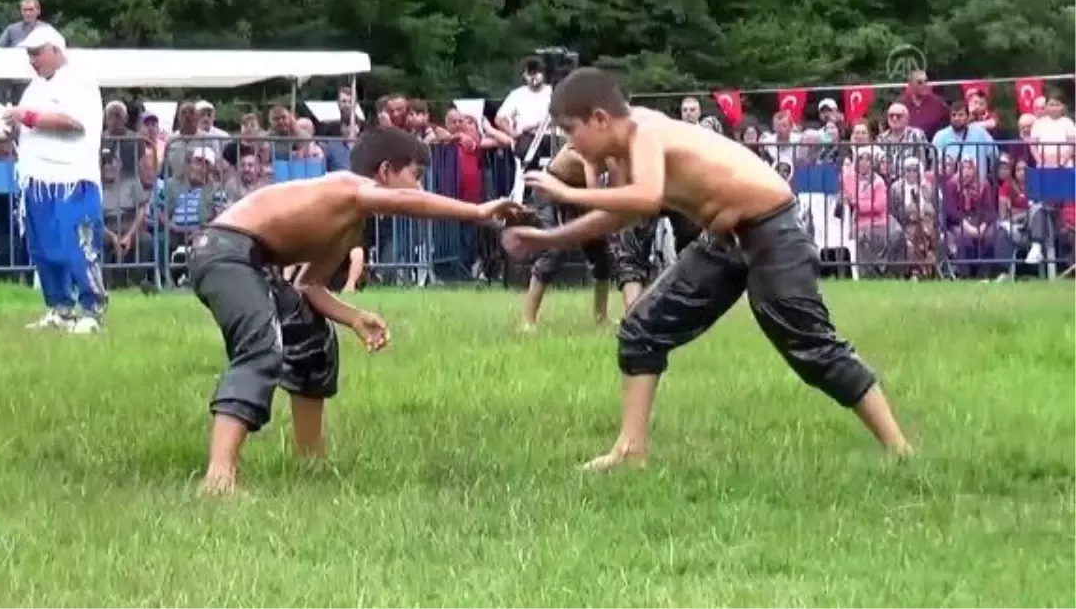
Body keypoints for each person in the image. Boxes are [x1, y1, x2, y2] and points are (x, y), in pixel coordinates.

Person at [501, 67, 912, 471]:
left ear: (600, 119)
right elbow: (621, 215)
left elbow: (645, 199)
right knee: (641, 329)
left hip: (773, 228)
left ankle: (900, 452)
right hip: (726, 238)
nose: (570, 147)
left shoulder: (645, 131)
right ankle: (631, 452)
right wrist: (545, 239)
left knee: (811, 347)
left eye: (571, 133)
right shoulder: (625, 149)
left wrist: (566, 190)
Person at [187, 126, 524, 495]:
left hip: (248, 260)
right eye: (417, 176)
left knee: (312, 336)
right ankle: (218, 478)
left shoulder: (349, 227)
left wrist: (353, 318)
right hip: (223, 251)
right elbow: (401, 202)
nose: (421, 189)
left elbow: (309, 286)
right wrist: (476, 210)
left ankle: (310, 461)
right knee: (262, 348)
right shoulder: (347, 186)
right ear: (384, 172)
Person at [8, 25, 107, 334]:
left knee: (78, 244)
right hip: (37, 179)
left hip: (72, 178)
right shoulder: (34, 87)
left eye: (37, 53)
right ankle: (59, 307)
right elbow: (28, 125)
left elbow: (73, 121)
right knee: (44, 248)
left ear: (55, 50)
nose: (33, 61)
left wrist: (27, 117)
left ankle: (92, 310)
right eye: (29, 55)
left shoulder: (80, 81)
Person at [518, 144, 612, 330]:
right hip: (550, 188)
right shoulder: (586, 144)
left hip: (578, 191)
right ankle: (528, 321)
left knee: (602, 255)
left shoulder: (619, 147)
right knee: (553, 251)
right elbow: (595, 196)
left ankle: (601, 318)